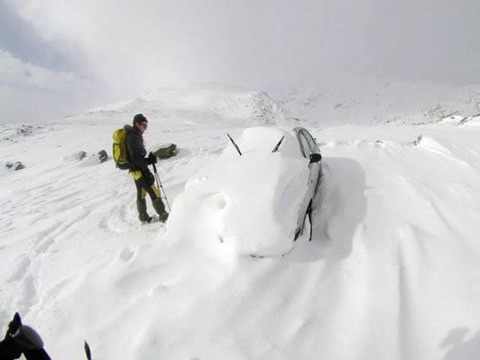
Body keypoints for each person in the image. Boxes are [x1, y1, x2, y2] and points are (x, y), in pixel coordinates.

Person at [124, 114, 169, 223]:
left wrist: (149, 160)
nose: (145, 128)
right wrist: (146, 166)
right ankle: (164, 216)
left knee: (142, 193)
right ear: (137, 124)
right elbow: (135, 157)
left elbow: (136, 157)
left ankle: (143, 217)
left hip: (136, 172)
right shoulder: (133, 136)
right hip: (140, 171)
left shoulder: (133, 135)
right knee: (154, 192)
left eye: (146, 126)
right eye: (143, 125)